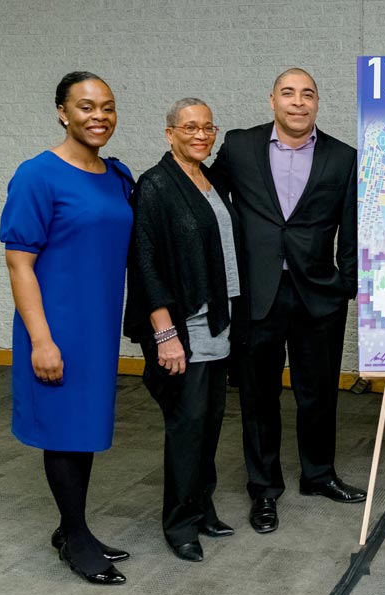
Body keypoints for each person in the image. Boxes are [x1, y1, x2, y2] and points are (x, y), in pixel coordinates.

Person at [211, 67, 365, 535]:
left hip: (319, 295)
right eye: (288, 93)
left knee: (317, 393)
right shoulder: (239, 146)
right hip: (257, 294)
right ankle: (264, 489)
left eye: (308, 95)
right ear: (272, 100)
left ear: (317, 103)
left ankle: (319, 475)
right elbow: (208, 199)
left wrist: (347, 285)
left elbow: (354, 229)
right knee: (258, 397)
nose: (298, 102)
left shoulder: (343, 157)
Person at [0, 71, 133, 585]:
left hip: (97, 328)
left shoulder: (116, 175)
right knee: (62, 429)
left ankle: (72, 525)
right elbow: (19, 263)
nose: (98, 116)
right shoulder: (39, 175)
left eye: (108, 106)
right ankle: (75, 538)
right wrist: (40, 339)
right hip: (55, 326)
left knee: (83, 429)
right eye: (85, 106)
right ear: (62, 111)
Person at [124, 98, 241, 562]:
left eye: (208, 127)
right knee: (186, 425)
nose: (201, 135)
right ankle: (179, 524)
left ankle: (202, 506)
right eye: (190, 127)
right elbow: (145, 262)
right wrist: (164, 334)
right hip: (184, 329)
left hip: (217, 322)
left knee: (210, 423)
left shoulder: (210, 179)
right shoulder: (155, 185)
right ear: (169, 133)